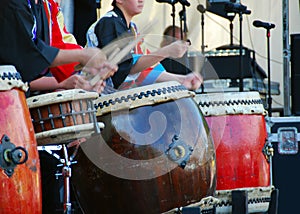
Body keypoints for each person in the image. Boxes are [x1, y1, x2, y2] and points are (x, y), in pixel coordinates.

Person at [0, 0, 117, 95]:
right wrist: (83, 56)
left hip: (18, 98)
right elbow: (28, 57)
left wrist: (86, 76)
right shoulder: (14, 4)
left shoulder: (42, 6)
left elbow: (37, 64)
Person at [86, 0, 202, 90]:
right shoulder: (110, 23)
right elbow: (126, 70)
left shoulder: (132, 28)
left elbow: (143, 70)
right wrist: (166, 51)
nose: (141, 0)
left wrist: (181, 80)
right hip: (97, 96)